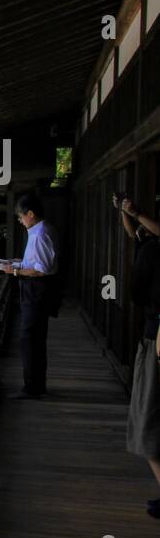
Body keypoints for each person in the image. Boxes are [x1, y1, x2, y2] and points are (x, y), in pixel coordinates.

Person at [116, 193, 160, 519]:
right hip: (152, 333)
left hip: (155, 335)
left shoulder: (155, 250)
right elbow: (134, 233)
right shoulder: (150, 244)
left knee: (149, 420)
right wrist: (126, 212)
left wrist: (136, 210)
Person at [0, 193, 58, 399]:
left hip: (37, 289)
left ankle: (32, 387)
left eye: (21, 216)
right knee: (34, 338)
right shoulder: (37, 231)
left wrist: (14, 272)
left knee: (30, 338)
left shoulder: (41, 234)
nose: (20, 220)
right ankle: (36, 385)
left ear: (31, 214)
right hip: (34, 288)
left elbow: (41, 269)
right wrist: (18, 263)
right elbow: (34, 262)